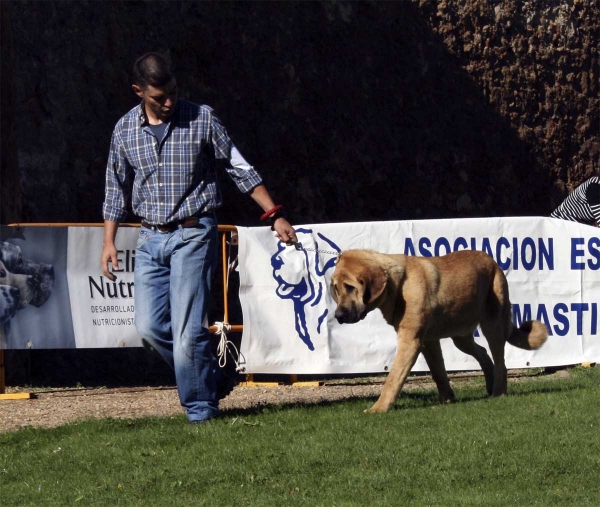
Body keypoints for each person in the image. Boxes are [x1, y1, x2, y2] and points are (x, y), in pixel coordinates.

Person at [101, 52, 297, 423]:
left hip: (193, 233)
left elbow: (237, 166)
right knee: (149, 328)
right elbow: (115, 188)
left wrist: (275, 215)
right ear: (138, 91)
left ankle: (200, 409)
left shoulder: (201, 118)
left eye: (173, 92)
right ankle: (216, 374)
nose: (170, 102)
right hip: (149, 240)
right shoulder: (124, 130)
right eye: (160, 97)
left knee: (189, 328)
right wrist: (109, 242)